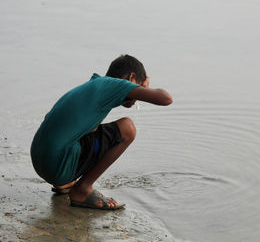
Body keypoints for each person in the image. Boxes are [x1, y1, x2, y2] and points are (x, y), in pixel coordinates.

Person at [30, 54, 172, 210]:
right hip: (56, 166)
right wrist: (146, 85)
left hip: (40, 162)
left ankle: (65, 183)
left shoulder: (94, 86)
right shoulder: (115, 85)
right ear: (131, 78)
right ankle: (83, 189)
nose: (137, 96)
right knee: (127, 128)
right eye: (139, 86)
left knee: (90, 130)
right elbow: (165, 99)